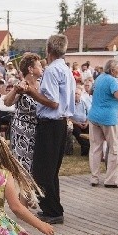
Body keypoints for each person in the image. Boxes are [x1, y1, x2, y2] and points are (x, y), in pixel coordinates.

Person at [24, 35, 76, 225]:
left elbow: (53, 102)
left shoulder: (53, 70)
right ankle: (53, 208)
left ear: (49, 49)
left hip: (51, 122)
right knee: (50, 171)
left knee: (42, 170)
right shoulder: (65, 69)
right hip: (60, 123)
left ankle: (52, 210)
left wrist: (32, 93)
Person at [87, 59, 118, 187]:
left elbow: (90, 92)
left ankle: (94, 178)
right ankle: (111, 180)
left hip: (94, 116)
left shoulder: (100, 77)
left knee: (95, 148)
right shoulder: (113, 81)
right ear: (112, 70)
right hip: (108, 119)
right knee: (114, 148)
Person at [3, 53, 42, 173]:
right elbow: (7, 102)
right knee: (22, 163)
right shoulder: (22, 85)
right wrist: (15, 90)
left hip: (38, 129)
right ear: (30, 69)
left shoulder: (41, 84)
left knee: (36, 163)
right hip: (22, 130)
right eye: (39, 66)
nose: (42, 68)